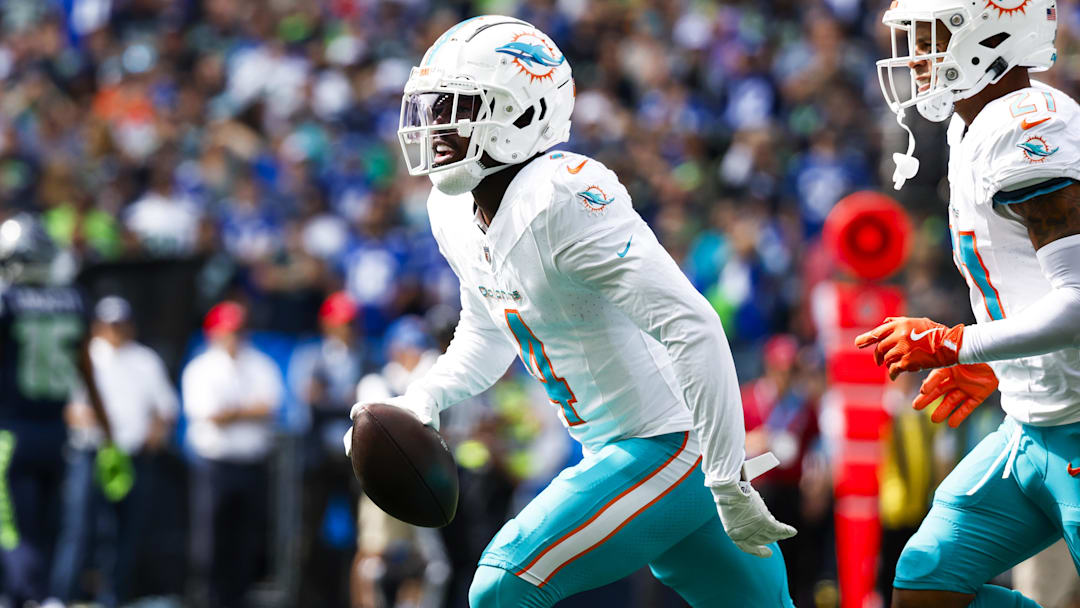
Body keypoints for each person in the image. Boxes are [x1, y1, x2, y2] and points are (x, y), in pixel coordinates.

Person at [345, 16, 796, 607]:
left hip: (674, 446)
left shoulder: (563, 198)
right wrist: (421, 400)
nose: (435, 127)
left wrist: (725, 475)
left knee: (506, 584)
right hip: (624, 448)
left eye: (455, 107)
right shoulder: (451, 210)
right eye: (431, 108)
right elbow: (487, 333)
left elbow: (694, 326)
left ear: (522, 114)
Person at [859, 1, 1080, 606]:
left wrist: (955, 342)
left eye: (932, 35)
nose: (917, 55)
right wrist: (999, 362)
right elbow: (1023, 282)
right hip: (1030, 426)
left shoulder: (1030, 124)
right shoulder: (970, 127)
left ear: (992, 35)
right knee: (926, 586)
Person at [0, 213, 118, 606]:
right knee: (48, 528)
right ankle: (44, 596)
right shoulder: (73, 301)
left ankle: (33, 599)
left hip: (9, 434)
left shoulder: (6, 302)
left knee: (14, 531)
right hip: (56, 433)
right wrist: (109, 434)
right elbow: (87, 373)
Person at [50, 295, 178, 607]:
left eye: (121, 324)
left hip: (132, 457)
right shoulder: (84, 356)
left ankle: (112, 599)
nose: (115, 331)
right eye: (110, 325)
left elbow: (166, 407)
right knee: (79, 529)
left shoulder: (145, 360)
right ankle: (62, 597)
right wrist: (93, 421)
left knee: (125, 534)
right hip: (90, 454)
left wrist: (154, 434)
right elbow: (67, 408)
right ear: (97, 326)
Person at [182, 300, 283, 608]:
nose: (234, 337)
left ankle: (239, 599)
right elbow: (209, 414)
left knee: (246, 539)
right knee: (211, 539)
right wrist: (247, 410)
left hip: (251, 463)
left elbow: (270, 407)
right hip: (215, 465)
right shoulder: (201, 368)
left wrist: (233, 411)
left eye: (238, 330)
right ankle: (211, 598)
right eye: (228, 331)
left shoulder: (261, 363)